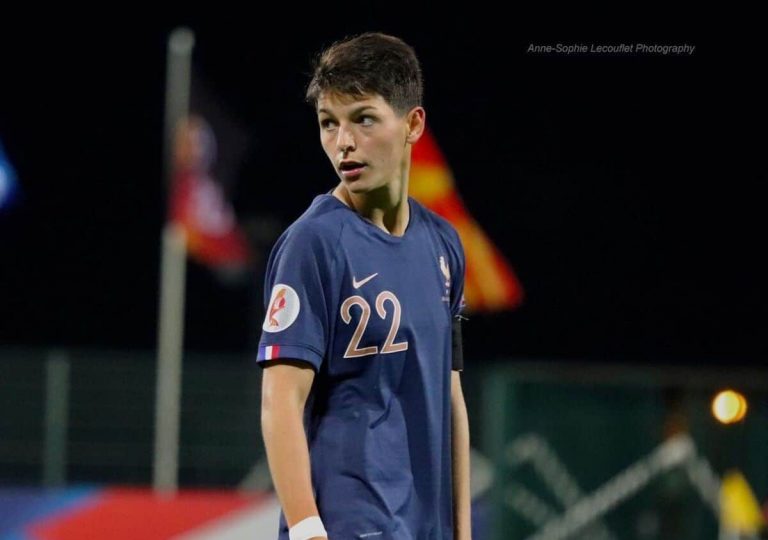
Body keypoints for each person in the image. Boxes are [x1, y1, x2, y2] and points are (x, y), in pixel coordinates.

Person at [258, 32, 471, 540]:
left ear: (413, 124)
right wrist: (309, 528)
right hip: (349, 526)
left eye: (363, 118)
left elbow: (451, 396)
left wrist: (462, 531)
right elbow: (279, 401)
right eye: (329, 123)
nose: (343, 142)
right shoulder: (311, 244)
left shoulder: (444, 246)